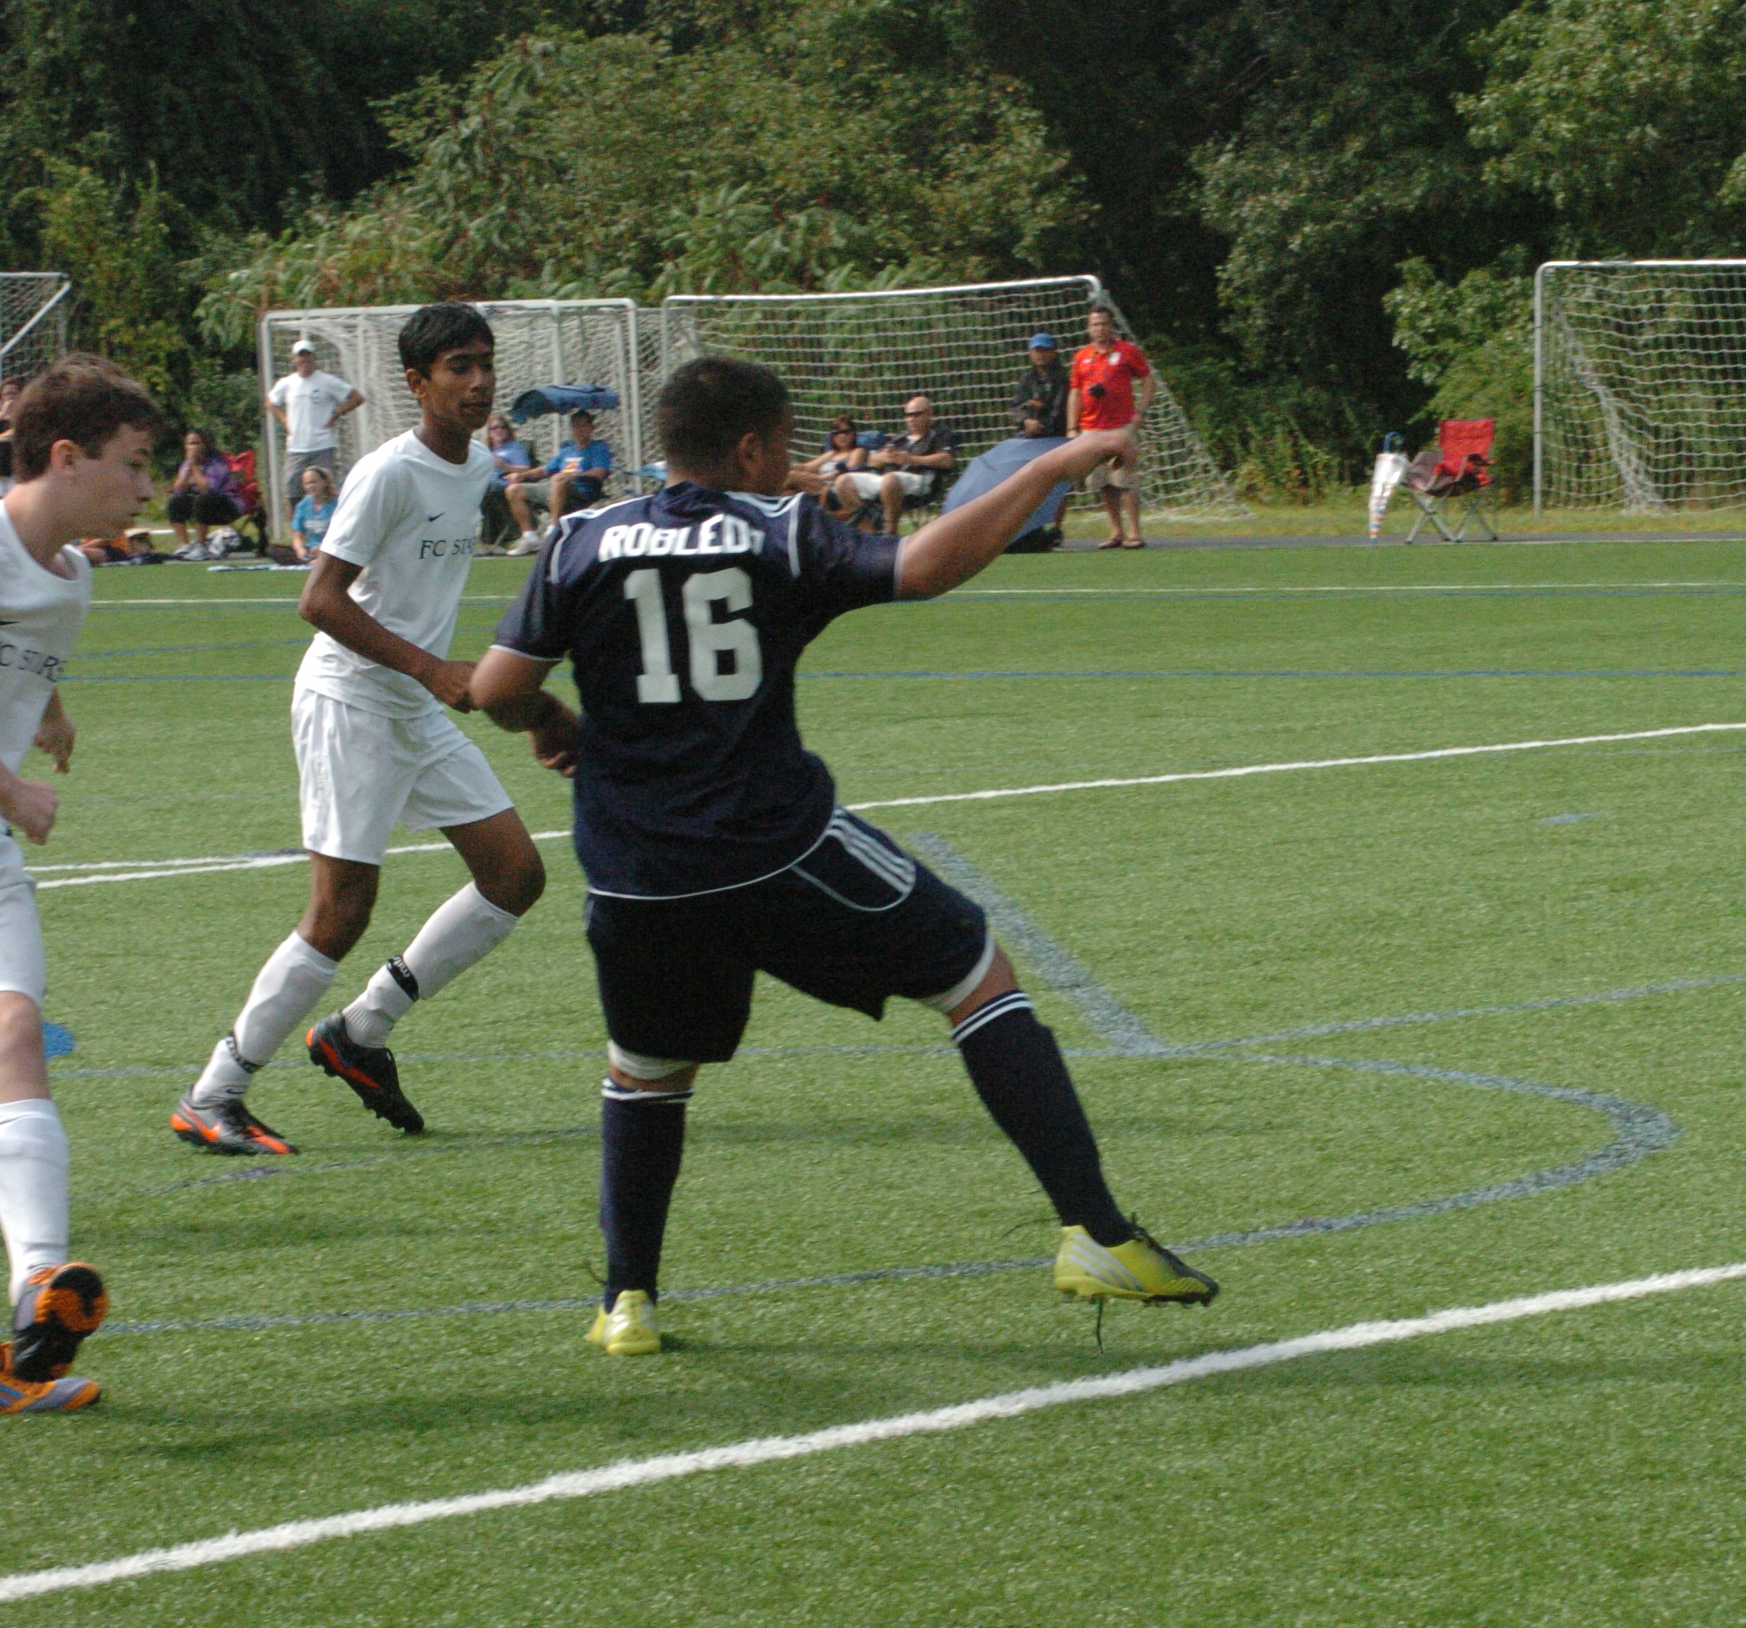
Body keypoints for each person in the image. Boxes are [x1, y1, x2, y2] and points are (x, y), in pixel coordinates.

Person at [468, 356, 1217, 1358]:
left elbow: (496, 687)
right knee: (975, 974)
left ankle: (626, 1301)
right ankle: (1099, 1233)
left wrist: (550, 721)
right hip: (776, 848)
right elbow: (924, 567)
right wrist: (1051, 467)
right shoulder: (778, 531)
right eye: (783, 445)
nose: (790, 464)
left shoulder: (579, 538)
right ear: (749, 448)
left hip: (634, 872)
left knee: (647, 1070)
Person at [171, 303, 551, 1157]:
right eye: (458, 366)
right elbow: (318, 599)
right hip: (350, 703)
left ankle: (360, 1031)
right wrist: (431, 668)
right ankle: (213, 1092)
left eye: (485, 363)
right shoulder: (388, 473)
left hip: (412, 705)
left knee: (515, 875)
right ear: (417, 383)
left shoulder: (478, 465)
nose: (479, 381)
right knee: (340, 910)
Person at [0, 356, 164, 1411]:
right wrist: (11, 789)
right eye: (133, 464)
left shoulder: (72, 575)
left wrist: (48, 715)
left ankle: (35, 1308)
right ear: (66, 457)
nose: (147, 488)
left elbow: (31, 661)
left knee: (16, 1033)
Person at [1066, 306, 1153, 549]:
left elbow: (1147, 378)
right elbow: (1075, 392)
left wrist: (1140, 411)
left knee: (1125, 478)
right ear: (1088, 328)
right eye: (1095, 324)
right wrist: (1071, 427)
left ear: (1111, 325)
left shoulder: (1126, 351)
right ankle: (1116, 531)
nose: (1100, 328)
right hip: (1091, 427)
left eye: (1104, 323)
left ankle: (1134, 532)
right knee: (1103, 481)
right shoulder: (1082, 356)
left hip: (1120, 426)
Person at [835, 395, 955, 533]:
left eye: (916, 414)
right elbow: (871, 461)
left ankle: (889, 532)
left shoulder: (940, 434)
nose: (911, 419)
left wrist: (911, 459)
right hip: (887, 478)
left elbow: (947, 460)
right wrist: (885, 457)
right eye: (908, 415)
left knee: (890, 479)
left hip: (920, 481)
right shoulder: (900, 438)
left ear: (928, 414)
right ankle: (869, 533)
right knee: (843, 482)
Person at [266, 340, 365, 504]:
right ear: (294, 360)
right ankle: (297, 521)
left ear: (314, 358)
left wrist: (337, 413)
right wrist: (284, 419)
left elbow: (357, 398)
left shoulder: (327, 381)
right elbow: (270, 402)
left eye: (308, 356)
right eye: (301, 356)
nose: (305, 360)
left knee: (326, 489)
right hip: (296, 446)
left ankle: (329, 519)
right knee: (292, 490)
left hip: (322, 445)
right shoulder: (287, 383)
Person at [507, 409, 614, 551]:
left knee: (559, 479)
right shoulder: (566, 451)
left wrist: (574, 475)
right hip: (556, 488)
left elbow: (599, 473)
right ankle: (529, 537)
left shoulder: (598, 449)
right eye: (576, 426)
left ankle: (553, 530)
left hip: (581, 492)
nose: (580, 429)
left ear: (592, 428)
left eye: (584, 425)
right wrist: (522, 475)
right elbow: (545, 470)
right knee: (514, 490)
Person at [164, 429, 240, 556]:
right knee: (175, 501)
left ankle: (201, 545)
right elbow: (178, 489)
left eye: (196, 443)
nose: (192, 447)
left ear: (205, 445)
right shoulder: (186, 464)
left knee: (202, 500)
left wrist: (194, 467)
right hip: (200, 503)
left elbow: (208, 488)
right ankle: (184, 544)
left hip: (224, 505)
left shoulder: (217, 463)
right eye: (190, 444)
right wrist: (188, 467)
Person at [786, 416, 868, 518]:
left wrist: (818, 477)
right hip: (820, 487)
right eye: (837, 433)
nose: (842, 436)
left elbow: (846, 470)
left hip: (836, 491)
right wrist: (787, 465)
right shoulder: (831, 454)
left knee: (793, 476)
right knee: (789, 485)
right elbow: (806, 467)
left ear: (853, 434)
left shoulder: (858, 451)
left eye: (846, 432)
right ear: (832, 437)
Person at [481, 414, 538, 554]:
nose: (498, 430)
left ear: (507, 430)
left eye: (502, 427)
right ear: (489, 432)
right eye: (494, 428)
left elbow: (526, 469)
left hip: (504, 485)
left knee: (489, 490)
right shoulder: (485, 450)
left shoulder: (515, 448)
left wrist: (505, 466)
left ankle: (491, 540)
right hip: (484, 485)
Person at [1013, 334, 1066, 438]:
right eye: (1037, 350)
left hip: (1055, 435)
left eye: (1045, 350)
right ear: (1030, 353)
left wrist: (1040, 426)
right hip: (1028, 433)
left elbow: (1058, 411)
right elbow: (1016, 405)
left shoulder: (1061, 379)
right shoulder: (1027, 378)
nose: (1041, 354)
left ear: (1053, 352)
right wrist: (1026, 421)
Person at [287, 463, 337, 561]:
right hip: (310, 550)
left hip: (331, 549)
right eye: (307, 484)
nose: (311, 486)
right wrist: (300, 549)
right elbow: (297, 534)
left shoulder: (336, 505)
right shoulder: (302, 505)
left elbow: (342, 535)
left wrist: (322, 548)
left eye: (314, 482)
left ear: (324, 482)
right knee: (274, 550)